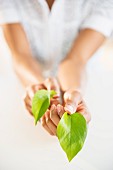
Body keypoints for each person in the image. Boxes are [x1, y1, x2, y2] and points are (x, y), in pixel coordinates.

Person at [0, 0, 113, 136]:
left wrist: (73, 93)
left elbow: (76, 59)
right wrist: (38, 89)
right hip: (21, 87)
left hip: (89, 85)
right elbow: (21, 55)